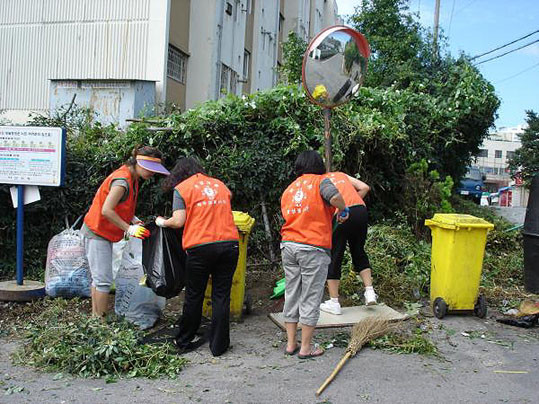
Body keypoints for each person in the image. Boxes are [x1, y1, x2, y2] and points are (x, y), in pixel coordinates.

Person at [155, 157, 239, 356]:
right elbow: (226, 203)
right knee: (221, 295)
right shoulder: (220, 185)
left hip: (201, 247)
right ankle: (219, 346)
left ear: (179, 173)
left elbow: (178, 221)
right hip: (229, 244)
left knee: (194, 295)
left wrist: (161, 222)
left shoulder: (182, 188)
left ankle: (184, 340)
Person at [82, 146, 169, 317]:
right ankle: (99, 321)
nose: (152, 173)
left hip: (103, 232)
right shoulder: (122, 181)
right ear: (138, 163)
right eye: (149, 168)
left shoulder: (132, 177)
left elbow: (121, 206)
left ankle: (95, 318)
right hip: (97, 232)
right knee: (103, 282)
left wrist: (133, 219)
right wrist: (129, 228)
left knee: (99, 279)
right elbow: (106, 210)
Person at [280, 151, 348, 359]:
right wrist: (343, 209)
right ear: (318, 165)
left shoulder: (290, 188)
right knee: (311, 296)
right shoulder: (321, 182)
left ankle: (291, 344)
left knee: (292, 293)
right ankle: (306, 348)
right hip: (313, 247)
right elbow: (335, 197)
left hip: (289, 245)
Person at [320, 172, 377, 316]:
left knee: (335, 256)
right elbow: (365, 187)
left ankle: (334, 302)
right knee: (358, 251)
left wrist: (343, 207)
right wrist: (352, 204)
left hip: (340, 214)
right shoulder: (340, 174)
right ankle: (370, 292)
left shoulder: (318, 181)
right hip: (360, 210)